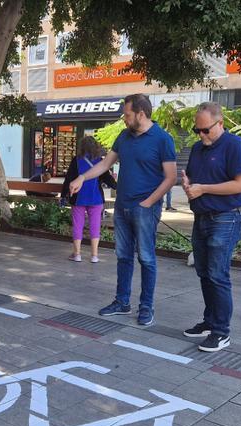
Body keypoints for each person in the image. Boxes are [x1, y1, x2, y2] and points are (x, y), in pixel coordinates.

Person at [70, 93, 177, 327]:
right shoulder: (124, 136)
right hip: (122, 207)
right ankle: (122, 302)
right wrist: (82, 176)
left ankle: (146, 307)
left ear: (141, 113)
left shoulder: (162, 139)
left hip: (145, 209)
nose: (124, 119)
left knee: (147, 258)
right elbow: (105, 164)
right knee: (123, 256)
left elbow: (171, 178)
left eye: (127, 114)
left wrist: (148, 203)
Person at [180, 101, 241, 353]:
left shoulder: (235, 145)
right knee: (204, 272)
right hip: (202, 216)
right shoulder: (198, 148)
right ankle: (210, 322)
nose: (201, 135)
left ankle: (222, 332)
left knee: (218, 274)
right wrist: (189, 186)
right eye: (197, 130)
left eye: (206, 130)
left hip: (226, 217)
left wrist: (203, 188)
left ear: (220, 123)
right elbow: (195, 181)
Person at [61, 136, 117, 263]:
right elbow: (108, 178)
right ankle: (94, 256)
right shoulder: (100, 162)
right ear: (96, 147)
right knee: (95, 226)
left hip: (78, 197)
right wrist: (118, 187)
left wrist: (63, 194)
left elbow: (69, 179)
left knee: (78, 225)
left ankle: (77, 254)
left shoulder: (76, 160)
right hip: (96, 198)